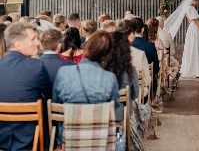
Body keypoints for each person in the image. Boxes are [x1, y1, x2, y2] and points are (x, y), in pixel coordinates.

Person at [0, 22, 52, 151]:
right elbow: (51, 94)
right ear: (18, 45)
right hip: (30, 139)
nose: (37, 43)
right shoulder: (36, 67)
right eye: (33, 39)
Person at [53, 30, 120, 106]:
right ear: (106, 55)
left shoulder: (63, 72)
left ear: (87, 46)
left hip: (69, 117)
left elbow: (56, 103)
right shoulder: (110, 78)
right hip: (98, 117)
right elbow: (115, 107)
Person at [164, 0, 199, 78]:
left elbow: (190, 20)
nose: (198, 3)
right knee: (195, 47)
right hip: (194, 28)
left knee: (192, 47)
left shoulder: (186, 7)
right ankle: (195, 70)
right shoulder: (191, 8)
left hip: (191, 27)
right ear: (194, 0)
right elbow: (196, 21)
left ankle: (192, 68)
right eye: (198, 1)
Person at [105, 31, 139, 122]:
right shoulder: (130, 69)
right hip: (122, 115)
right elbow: (135, 94)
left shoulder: (100, 69)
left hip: (103, 115)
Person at [116, 20, 151, 99]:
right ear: (131, 35)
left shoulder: (108, 52)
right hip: (133, 95)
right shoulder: (140, 54)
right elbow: (147, 81)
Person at [131, 17, 160, 89]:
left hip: (128, 84)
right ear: (143, 29)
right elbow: (156, 69)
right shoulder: (150, 45)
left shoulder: (125, 45)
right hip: (146, 84)